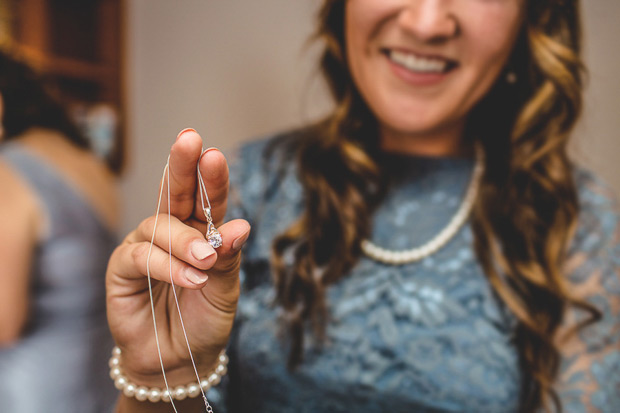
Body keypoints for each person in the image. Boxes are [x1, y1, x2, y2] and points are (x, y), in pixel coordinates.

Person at [106, 0, 620, 412]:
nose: (425, 22)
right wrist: (162, 376)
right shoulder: (247, 186)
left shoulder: (578, 224)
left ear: (534, 16)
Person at [0, 50, 119, 412]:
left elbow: (5, 324)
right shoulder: (90, 163)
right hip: (98, 383)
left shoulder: (9, 171)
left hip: (34, 393)